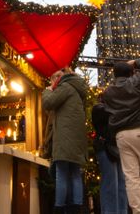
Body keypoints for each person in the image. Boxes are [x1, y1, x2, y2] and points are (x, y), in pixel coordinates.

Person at [102, 59, 140, 214]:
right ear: (131, 72)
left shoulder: (108, 92)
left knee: (131, 179)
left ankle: (138, 212)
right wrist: (136, 62)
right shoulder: (136, 83)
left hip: (121, 135)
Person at [42, 68, 88, 213]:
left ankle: (59, 207)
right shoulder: (76, 89)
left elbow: (48, 103)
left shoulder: (65, 87)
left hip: (65, 139)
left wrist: (47, 90)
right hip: (76, 140)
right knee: (75, 172)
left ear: (58, 79)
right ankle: (76, 206)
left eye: (53, 81)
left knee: (61, 173)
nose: (53, 84)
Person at [92, 97, 128, 214]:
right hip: (105, 148)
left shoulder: (112, 109)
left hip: (116, 148)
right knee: (111, 183)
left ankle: (121, 211)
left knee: (120, 184)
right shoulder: (98, 108)